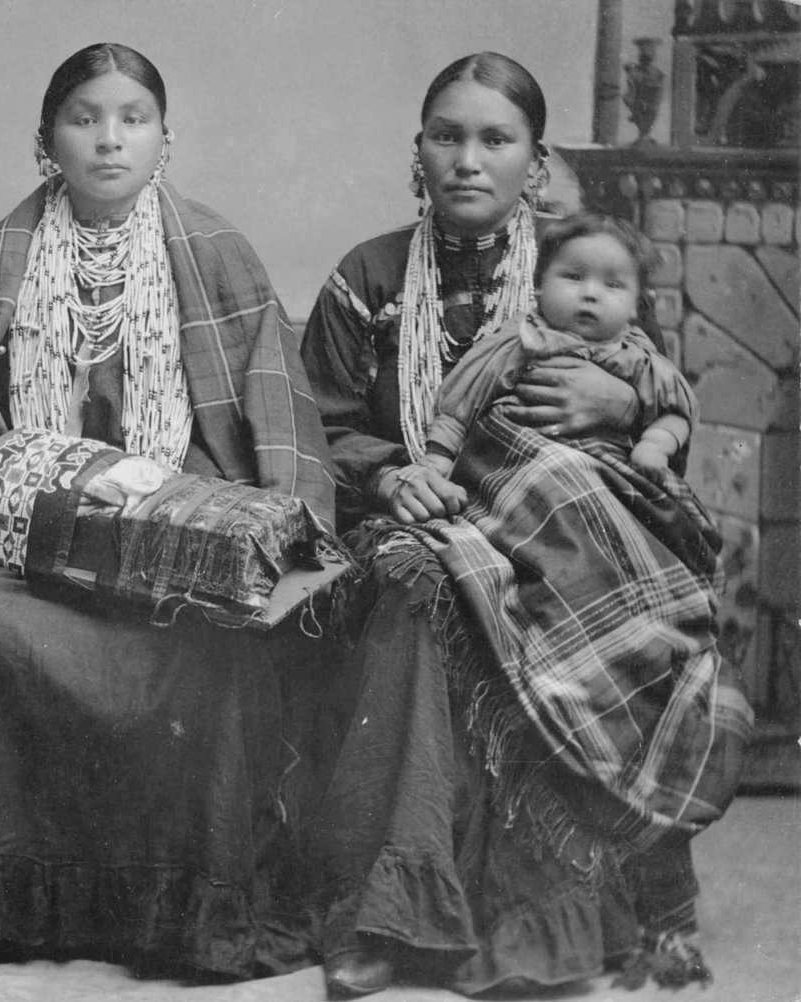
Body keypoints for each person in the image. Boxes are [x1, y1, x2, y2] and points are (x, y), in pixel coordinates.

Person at [0, 42, 340, 982]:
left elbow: (278, 422)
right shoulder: (2, 257)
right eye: (83, 119)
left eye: (132, 119)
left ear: (166, 139)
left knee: (217, 640)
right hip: (26, 531)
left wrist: (259, 530)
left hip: (169, 526)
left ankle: (185, 909)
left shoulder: (216, 254)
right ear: (47, 142)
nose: (109, 140)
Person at [298, 52, 749, 999]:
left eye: (495, 140)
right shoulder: (368, 276)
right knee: (429, 592)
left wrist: (615, 409)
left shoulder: (582, 265)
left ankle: (545, 925)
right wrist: (390, 478)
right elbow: (319, 426)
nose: (468, 159)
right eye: (446, 136)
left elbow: (653, 389)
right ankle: (391, 913)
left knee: (609, 607)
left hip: (560, 511)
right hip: (415, 517)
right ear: (416, 153)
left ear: (534, 166)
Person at [420, 213, 692, 489]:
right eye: (574, 277)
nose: (590, 293)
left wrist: (655, 444)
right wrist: (439, 456)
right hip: (516, 470)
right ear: (540, 287)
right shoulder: (522, 340)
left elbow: (677, 411)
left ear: (636, 304)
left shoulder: (638, 357)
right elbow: (466, 396)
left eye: (612, 285)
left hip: (603, 477)